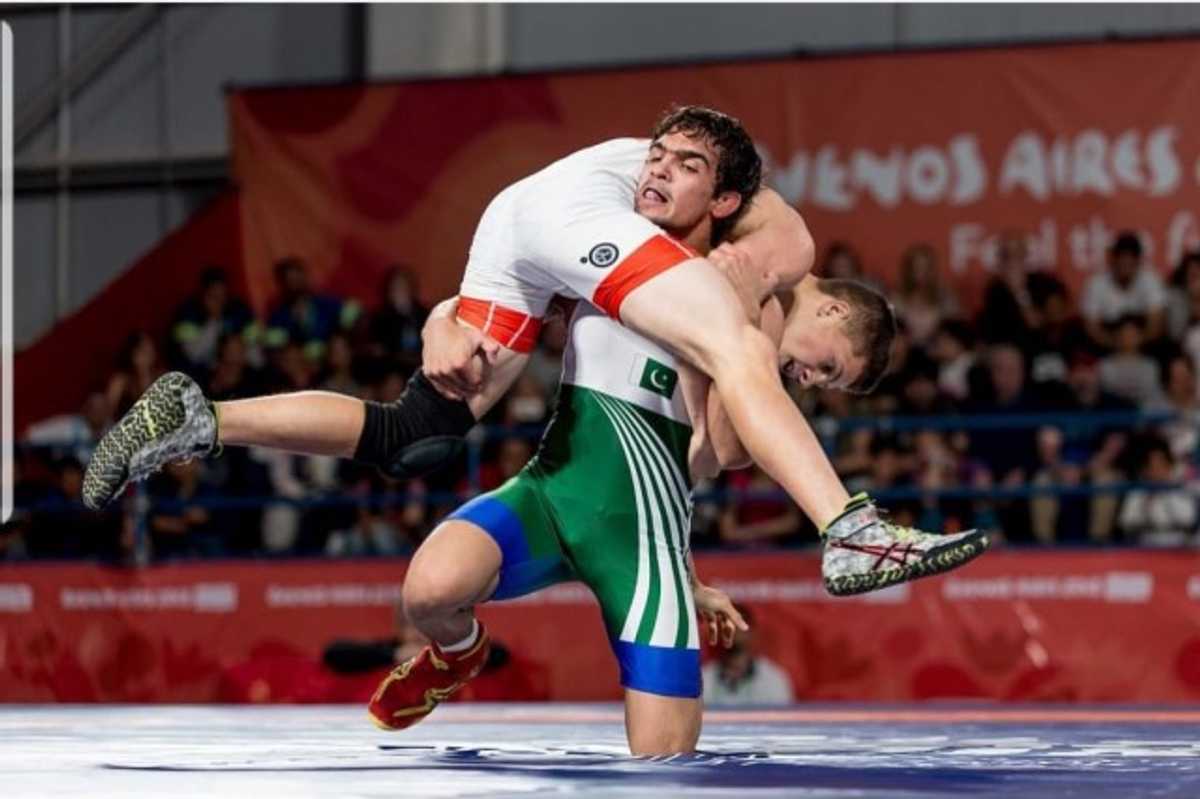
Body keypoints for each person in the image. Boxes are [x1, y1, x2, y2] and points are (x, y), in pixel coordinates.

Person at [83, 109, 987, 736]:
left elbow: (693, 456)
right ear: (835, 315)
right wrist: (745, 336)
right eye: (826, 367)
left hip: (525, 232)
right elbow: (735, 330)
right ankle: (850, 528)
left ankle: (203, 418)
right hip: (563, 357)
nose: (809, 378)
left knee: (418, 437)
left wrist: (444, 318)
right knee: (740, 351)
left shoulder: (648, 258)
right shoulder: (776, 250)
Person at [701, 604, 795, 706]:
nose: (734, 630)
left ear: (752, 632)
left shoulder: (773, 679)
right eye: (727, 624)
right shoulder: (705, 678)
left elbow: (783, 719)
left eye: (740, 624)